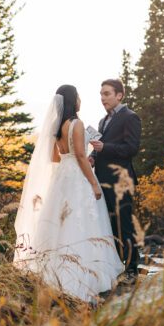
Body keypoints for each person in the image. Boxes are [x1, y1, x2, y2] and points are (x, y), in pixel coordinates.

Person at [13, 84, 124, 302]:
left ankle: (52, 275)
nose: (81, 99)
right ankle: (83, 278)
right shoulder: (76, 124)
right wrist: (93, 182)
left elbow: (55, 159)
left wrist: (71, 155)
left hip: (62, 176)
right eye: (79, 96)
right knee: (82, 222)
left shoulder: (57, 128)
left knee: (60, 224)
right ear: (74, 101)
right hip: (78, 176)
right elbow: (81, 157)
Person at [89, 78, 142, 278]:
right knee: (110, 225)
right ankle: (119, 266)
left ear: (119, 95)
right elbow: (101, 145)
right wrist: (93, 156)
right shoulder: (103, 120)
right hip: (102, 180)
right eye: (101, 94)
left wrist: (105, 148)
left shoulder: (130, 117)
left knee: (125, 225)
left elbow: (131, 149)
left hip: (121, 182)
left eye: (107, 94)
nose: (103, 98)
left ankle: (132, 270)